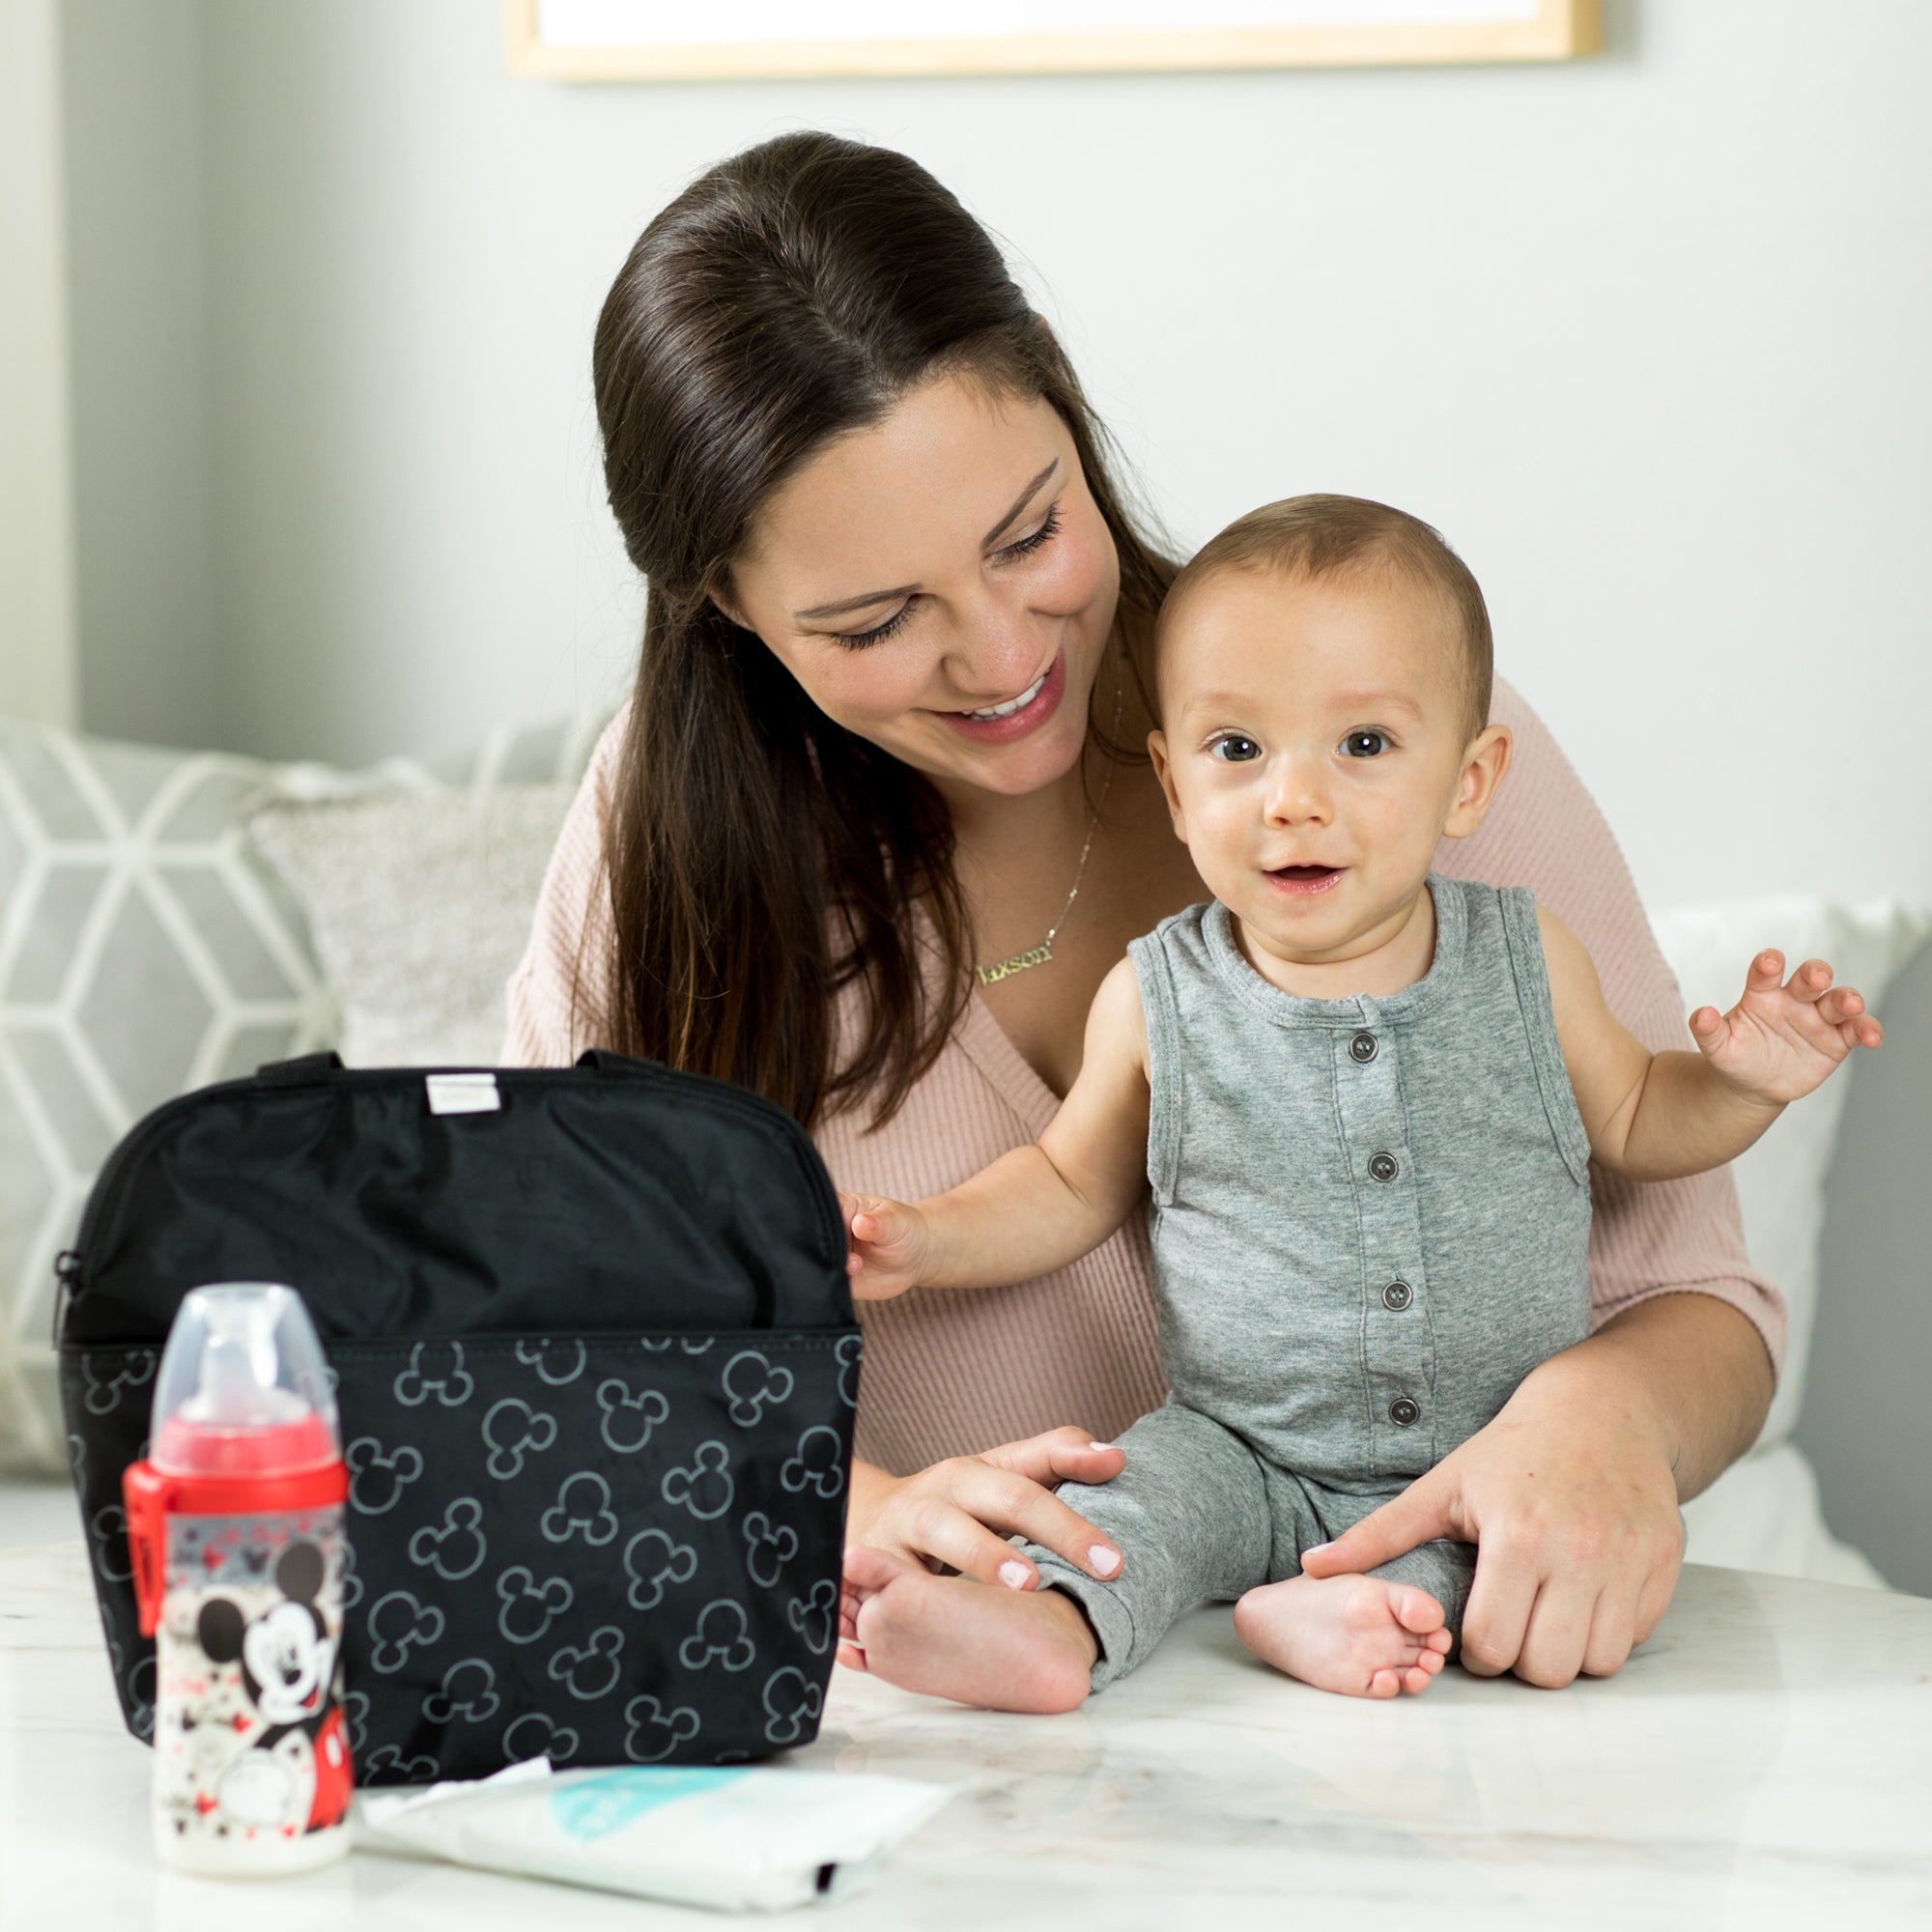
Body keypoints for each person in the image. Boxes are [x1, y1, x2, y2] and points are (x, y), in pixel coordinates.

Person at [501, 129, 1790, 1692]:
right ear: (727, 608)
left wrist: (1609, 1417)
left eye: (1028, 533)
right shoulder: (668, 844)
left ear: (1058, 391)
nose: (997, 655)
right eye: (879, 620)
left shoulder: (1394, 739)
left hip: (1432, 1721)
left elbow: (1691, 1298)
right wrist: (861, 1509)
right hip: (959, 1766)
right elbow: (565, 1352)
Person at [835, 495, 1883, 1708]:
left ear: (1469, 778)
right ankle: (1046, 1630)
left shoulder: (1526, 959)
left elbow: (1645, 1118)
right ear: (1174, 787)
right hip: (1234, 1440)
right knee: (1122, 1511)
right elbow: (1065, 1183)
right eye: (1238, 751)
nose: (1293, 798)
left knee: (1507, 1562)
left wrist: (1744, 1081)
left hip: (1483, 1451)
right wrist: (930, 1236)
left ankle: (1321, 1613)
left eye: (1364, 746)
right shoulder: (1157, 995)